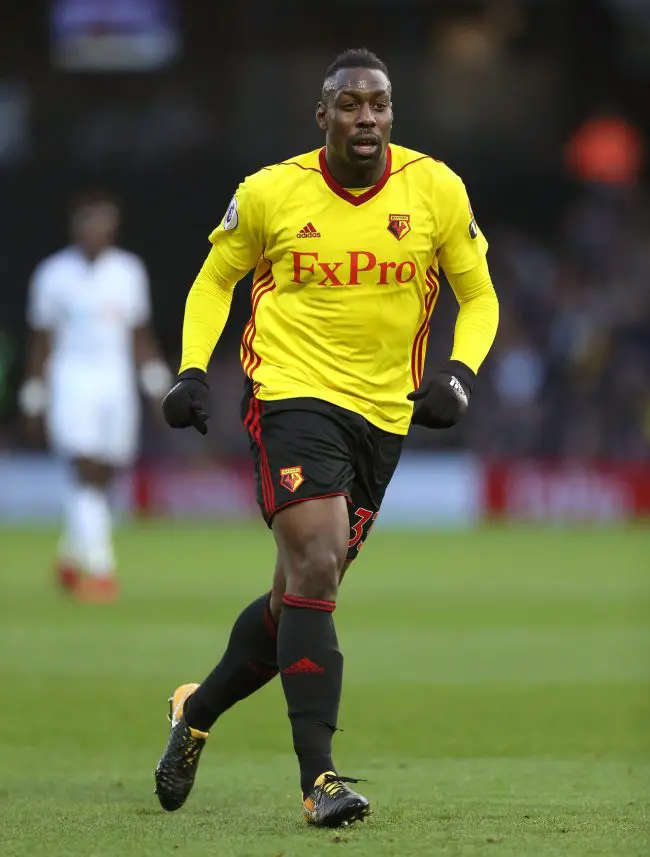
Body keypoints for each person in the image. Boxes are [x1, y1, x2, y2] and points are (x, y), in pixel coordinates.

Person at [157, 48, 499, 827]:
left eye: (379, 103)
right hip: (290, 394)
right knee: (316, 559)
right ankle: (320, 780)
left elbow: (479, 294)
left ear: (392, 113)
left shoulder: (435, 188)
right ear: (323, 116)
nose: (366, 117)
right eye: (350, 104)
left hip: (383, 414)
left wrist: (459, 373)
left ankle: (195, 711)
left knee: (299, 597)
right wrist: (191, 370)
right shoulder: (270, 192)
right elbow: (215, 280)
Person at [20, 189, 171, 603]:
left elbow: (139, 335)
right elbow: (41, 340)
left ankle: (69, 560)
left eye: (103, 222)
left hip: (115, 381)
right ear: (75, 226)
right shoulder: (54, 274)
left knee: (106, 473)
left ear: (113, 227)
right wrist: (34, 395)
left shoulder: (128, 272)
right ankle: (102, 571)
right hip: (71, 380)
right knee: (83, 466)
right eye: (88, 222)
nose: (95, 230)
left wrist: (158, 386)